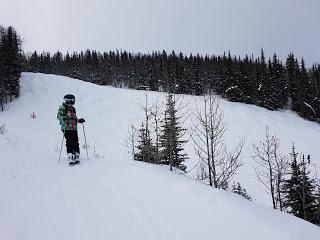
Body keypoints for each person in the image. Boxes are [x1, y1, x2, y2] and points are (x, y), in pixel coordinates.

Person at [57, 94, 85, 161]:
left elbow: (74, 118)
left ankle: (76, 153)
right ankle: (70, 154)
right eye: (72, 100)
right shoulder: (63, 107)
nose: (73, 101)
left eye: (73, 99)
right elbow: (59, 116)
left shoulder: (73, 108)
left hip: (74, 127)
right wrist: (64, 118)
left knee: (75, 141)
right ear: (68, 100)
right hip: (66, 127)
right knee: (69, 141)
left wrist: (79, 120)